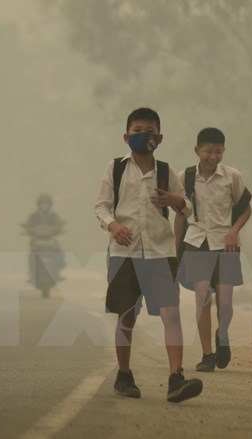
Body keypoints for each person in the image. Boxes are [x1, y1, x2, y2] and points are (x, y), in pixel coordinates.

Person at [94, 107, 203, 403]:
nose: (144, 136)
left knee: (171, 314)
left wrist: (176, 200)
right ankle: (124, 374)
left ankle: (175, 377)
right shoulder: (115, 168)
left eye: (149, 131)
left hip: (160, 252)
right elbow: (101, 206)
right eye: (138, 130)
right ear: (127, 136)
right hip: (124, 253)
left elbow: (187, 207)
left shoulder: (166, 171)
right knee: (126, 316)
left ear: (160, 137)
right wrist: (113, 224)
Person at [175, 127, 252, 372]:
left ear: (223, 152)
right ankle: (207, 354)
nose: (213, 157)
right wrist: (176, 250)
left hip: (226, 244)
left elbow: (246, 209)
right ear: (197, 151)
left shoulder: (232, 176)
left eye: (218, 152)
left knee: (226, 302)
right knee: (202, 298)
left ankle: (223, 335)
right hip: (196, 242)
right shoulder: (184, 178)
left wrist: (233, 232)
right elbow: (180, 216)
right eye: (208, 151)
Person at [23, 194, 66, 291]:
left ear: (50, 205)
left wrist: (60, 229)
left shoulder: (54, 216)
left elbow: (59, 225)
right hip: (37, 240)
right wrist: (27, 230)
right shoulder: (33, 216)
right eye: (43, 204)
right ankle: (32, 273)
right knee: (31, 255)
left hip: (50, 240)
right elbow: (28, 226)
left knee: (59, 252)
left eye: (46, 204)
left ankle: (57, 271)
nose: (44, 206)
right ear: (39, 204)